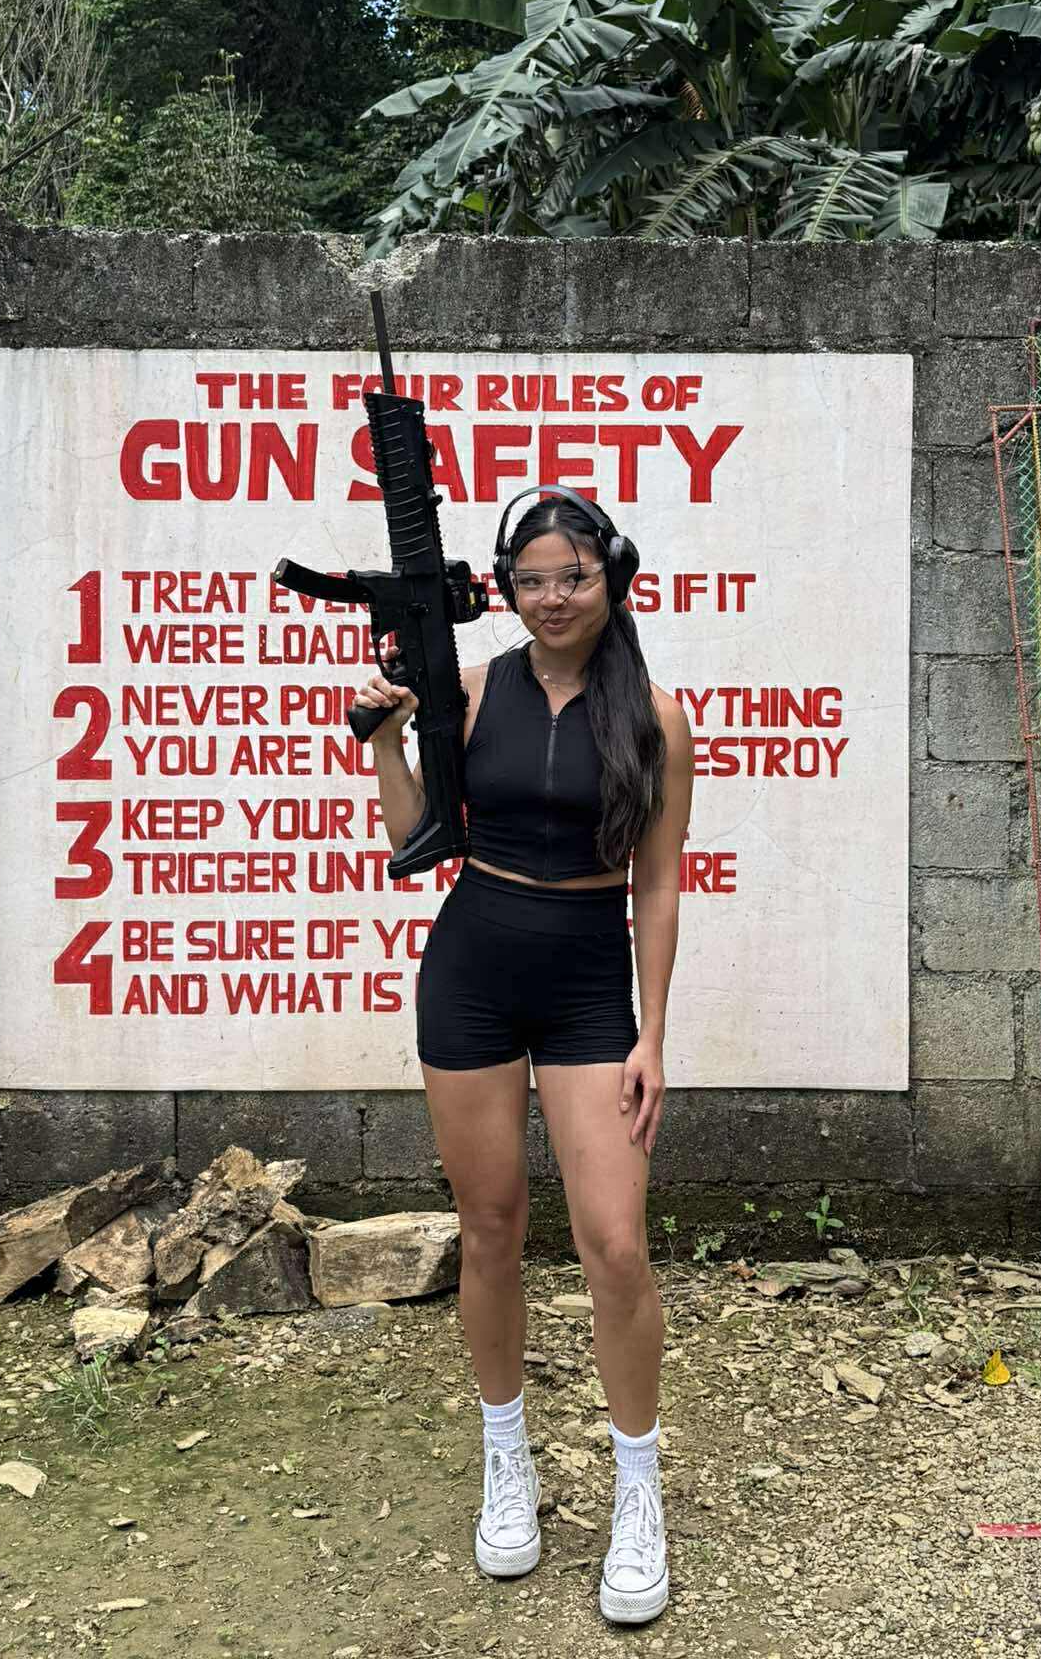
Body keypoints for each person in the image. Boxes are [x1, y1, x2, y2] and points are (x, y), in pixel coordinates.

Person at [356, 487, 693, 1628]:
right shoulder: (475, 688)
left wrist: (653, 1028)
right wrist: (390, 739)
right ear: (509, 585)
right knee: (491, 1225)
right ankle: (511, 1461)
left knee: (614, 1244)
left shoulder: (651, 714)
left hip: (593, 984)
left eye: (575, 576)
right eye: (533, 578)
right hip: (474, 971)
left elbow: (655, 882)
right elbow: (417, 835)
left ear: (614, 578)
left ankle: (636, 1491)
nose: (553, 598)